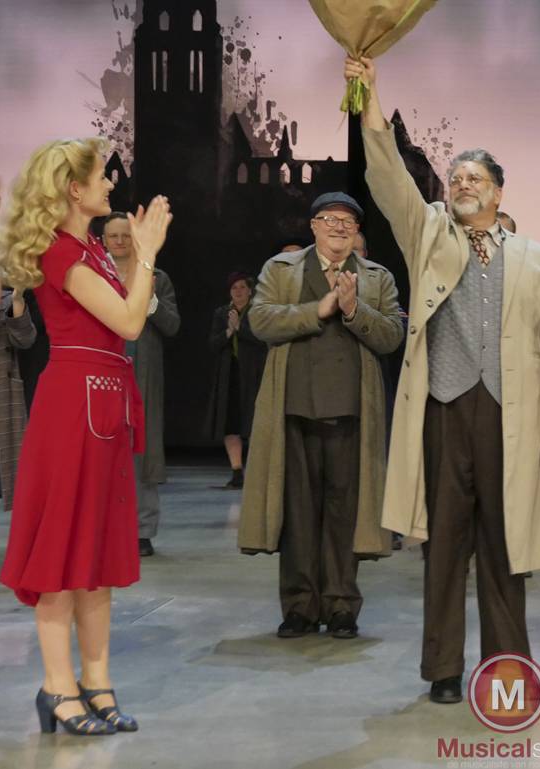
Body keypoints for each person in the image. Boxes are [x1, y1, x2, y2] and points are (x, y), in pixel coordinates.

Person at [348, 55, 540, 705]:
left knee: (505, 544)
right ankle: (444, 668)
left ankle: (506, 667)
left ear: (499, 193)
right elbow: (388, 175)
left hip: (509, 413)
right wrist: (369, 98)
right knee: (445, 543)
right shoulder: (428, 233)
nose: (461, 184)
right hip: (445, 408)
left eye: (475, 177)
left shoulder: (531, 258)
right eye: (455, 177)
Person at [0, 137, 171, 734]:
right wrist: (146, 254)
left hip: (104, 403)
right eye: (101, 176)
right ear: (74, 189)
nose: (110, 184)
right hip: (74, 406)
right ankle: (57, 686)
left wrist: (137, 259)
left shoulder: (92, 249)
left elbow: (127, 320)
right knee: (62, 550)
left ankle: (97, 683)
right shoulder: (59, 251)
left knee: (95, 554)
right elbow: (129, 320)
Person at [238, 191, 404, 640]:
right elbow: (261, 320)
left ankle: (342, 605)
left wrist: (353, 309)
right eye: (329, 219)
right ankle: (299, 607)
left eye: (348, 222)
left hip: (352, 411)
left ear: (357, 232)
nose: (338, 227)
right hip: (294, 408)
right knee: (298, 514)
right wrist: (319, 309)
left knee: (344, 513)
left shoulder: (376, 277)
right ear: (313, 226)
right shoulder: (281, 269)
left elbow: (392, 335)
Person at [101, 211, 180, 557]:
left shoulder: (157, 277)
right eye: (113, 236)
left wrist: (150, 302)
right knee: (100, 455)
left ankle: (142, 530)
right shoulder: (91, 274)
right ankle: (102, 530)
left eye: (125, 236)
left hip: (143, 376)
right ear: (103, 240)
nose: (120, 242)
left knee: (141, 454)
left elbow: (172, 325)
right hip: (102, 375)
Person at [205, 272, 267, 488]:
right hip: (230, 374)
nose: (238, 291)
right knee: (230, 424)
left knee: (255, 422)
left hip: (254, 374)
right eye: (234, 288)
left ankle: (258, 472)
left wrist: (241, 328)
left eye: (242, 287)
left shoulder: (258, 311)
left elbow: (264, 340)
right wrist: (229, 331)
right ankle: (237, 472)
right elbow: (213, 344)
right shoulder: (222, 313)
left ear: (250, 290)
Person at [0, 268, 36, 508]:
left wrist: (18, 300)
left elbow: (25, 339)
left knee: (14, 474)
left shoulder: (10, 301)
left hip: (4, 390)